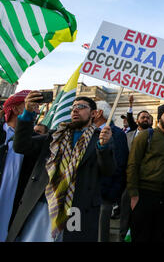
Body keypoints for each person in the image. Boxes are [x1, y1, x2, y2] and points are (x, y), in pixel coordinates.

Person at [7, 93, 115, 242]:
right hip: (43, 205)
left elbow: (108, 170)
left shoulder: (101, 139)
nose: (75, 110)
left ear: (94, 113)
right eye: (73, 107)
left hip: (76, 209)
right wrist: (27, 114)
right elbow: (21, 146)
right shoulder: (54, 136)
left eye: (81, 107)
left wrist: (103, 148)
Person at [127, 104, 164, 242]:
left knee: (161, 236)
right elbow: (132, 164)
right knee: (142, 236)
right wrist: (133, 194)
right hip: (145, 195)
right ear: (159, 117)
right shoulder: (145, 136)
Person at [93, 100, 129, 242]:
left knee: (100, 235)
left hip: (104, 195)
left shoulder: (117, 133)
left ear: (99, 113)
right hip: (86, 193)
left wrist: (111, 194)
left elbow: (120, 164)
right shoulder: (88, 131)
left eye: (92, 110)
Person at [0, 90, 31, 241]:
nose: (35, 110)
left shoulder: (34, 140)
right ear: (14, 109)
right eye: (29, 105)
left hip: (15, 198)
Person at [120, 109, 153, 241]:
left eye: (148, 117)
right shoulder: (127, 136)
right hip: (127, 182)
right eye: (143, 117)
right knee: (125, 217)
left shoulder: (156, 137)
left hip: (147, 183)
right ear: (137, 120)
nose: (145, 119)